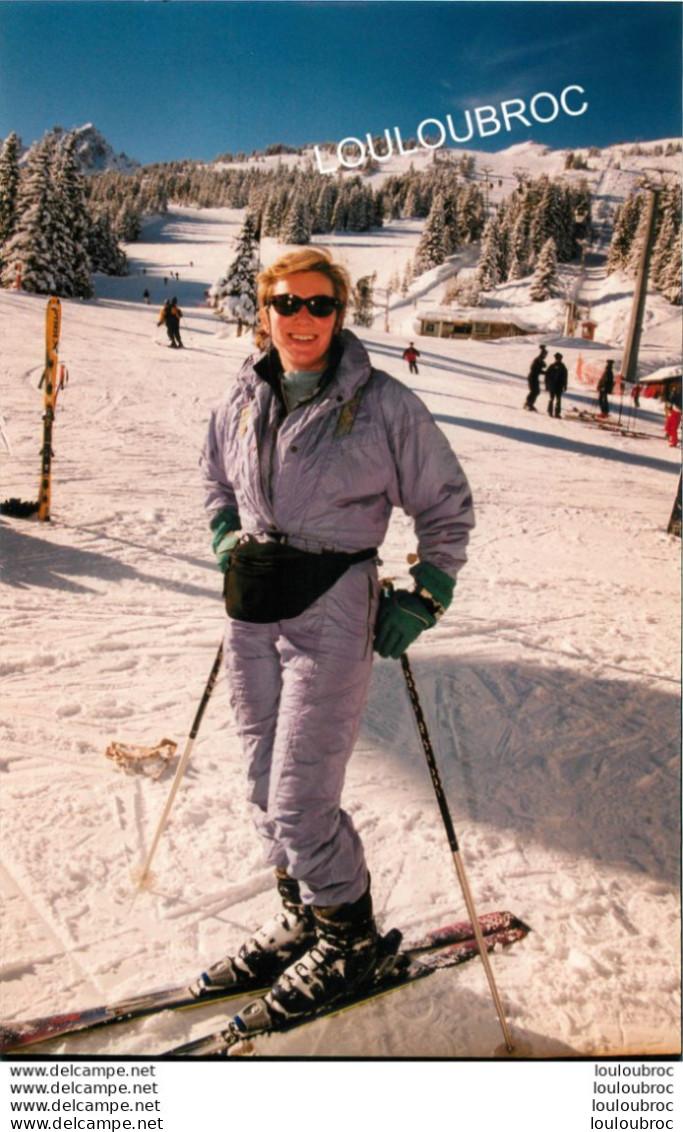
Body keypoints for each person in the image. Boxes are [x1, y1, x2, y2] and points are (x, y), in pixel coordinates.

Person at [199, 247, 474, 1028]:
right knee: (262, 786)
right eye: (287, 304)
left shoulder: (383, 403)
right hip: (252, 607)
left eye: (320, 306)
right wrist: (226, 538)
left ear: (340, 314)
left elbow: (445, 505)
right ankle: (309, 921)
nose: (303, 319)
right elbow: (214, 483)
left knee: (298, 797)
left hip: (332, 604)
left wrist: (426, 594)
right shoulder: (240, 397)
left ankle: (350, 940)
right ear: (264, 310)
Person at [523, 345, 547, 411]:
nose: (545, 356)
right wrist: (544, 372)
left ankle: (529, 403)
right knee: (535, 391)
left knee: (535, 391)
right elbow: (534, 369)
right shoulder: (538, 360)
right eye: (545, 355)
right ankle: (529, 403)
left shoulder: (540, 360)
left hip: (534, 377)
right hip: (532, 377)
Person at [545, 352, 568, 418]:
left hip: (555, 386)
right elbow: (565, 377)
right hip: (556, 386)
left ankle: (552, 412)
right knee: (554, 399)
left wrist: (547, 385)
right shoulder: (562, 367)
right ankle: (554, 413)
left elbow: (547, 376)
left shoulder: (552, 366)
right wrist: (565, 385)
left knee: (554, 399)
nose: (557, 359)